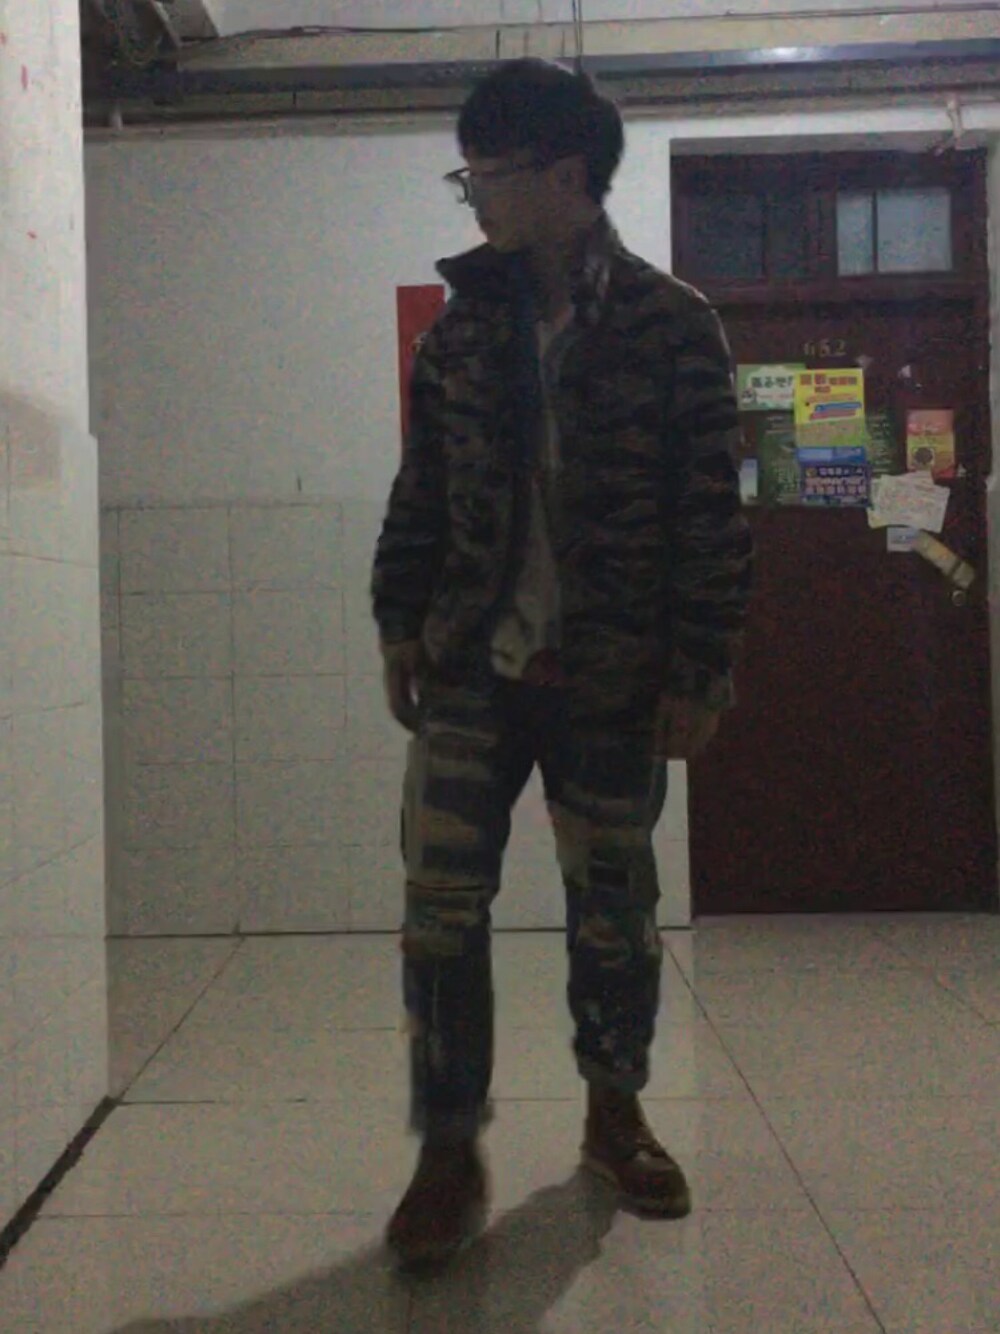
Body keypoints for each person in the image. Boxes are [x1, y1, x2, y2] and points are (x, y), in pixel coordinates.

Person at [371, 58, 752, 1270]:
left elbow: (709, 511)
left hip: (612, 674)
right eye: (469, 173)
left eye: (486, 173)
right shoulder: (461, 330)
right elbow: (422, 486)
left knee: (614, 913)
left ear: (565, 176)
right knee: (438, 915)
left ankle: (613, 1114)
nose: (473, 194)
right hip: (471, 669)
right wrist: (396, 617)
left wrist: (699, 666)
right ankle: (447, 1149)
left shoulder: (670, 324)